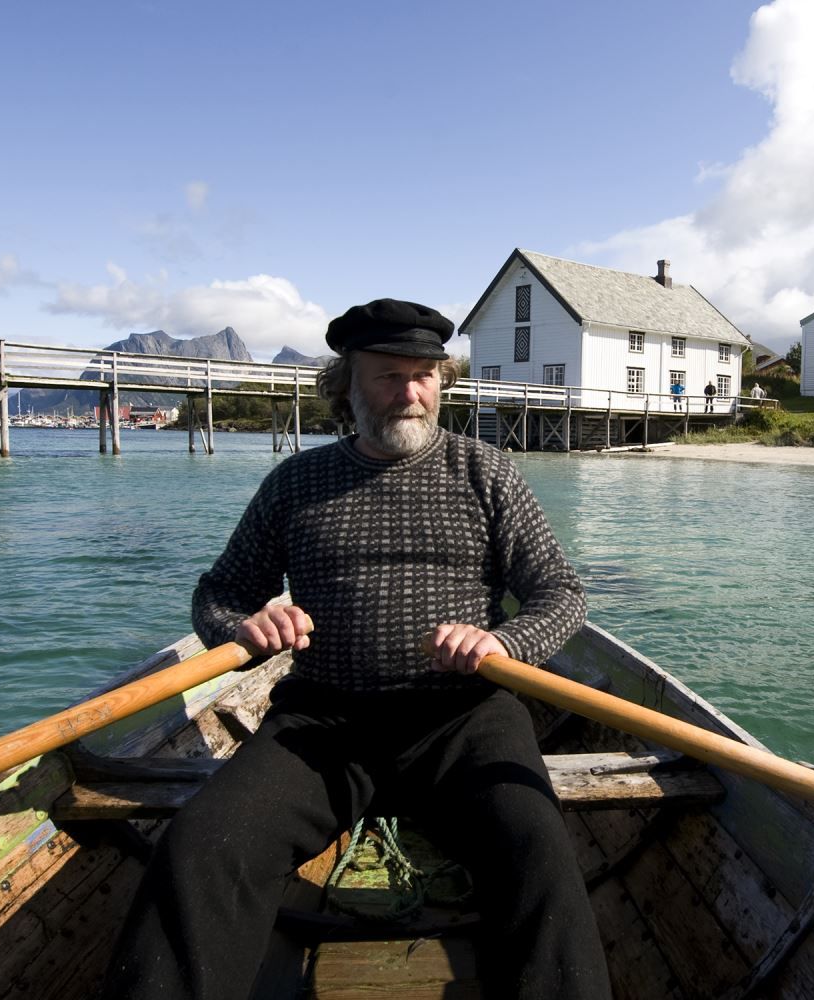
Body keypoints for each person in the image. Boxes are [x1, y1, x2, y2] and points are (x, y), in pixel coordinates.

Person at [103, 298, 609, 1000]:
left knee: (539, 851)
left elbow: (561, 593)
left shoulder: (485, 472)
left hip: (464, 720)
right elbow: (216, 596)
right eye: (388, 376)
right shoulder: (295, 484)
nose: (410, 393)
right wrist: (244, 631)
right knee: (202, 846)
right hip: (322, 724)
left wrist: (502, 640)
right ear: (346, 385)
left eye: (425, 375)